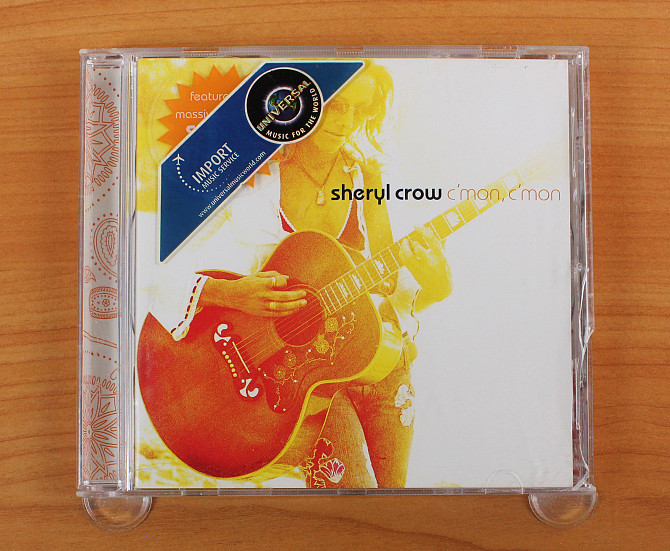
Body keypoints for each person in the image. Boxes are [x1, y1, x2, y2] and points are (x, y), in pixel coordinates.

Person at [149, 61, 453, 488]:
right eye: (337, 106)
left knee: (396, 506)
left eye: (360, 110)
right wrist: (229, 293)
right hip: (303, 382)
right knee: (353, 501)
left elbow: (397, 289)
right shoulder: (245, 171)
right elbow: (150, 262)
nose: (347, 122)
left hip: (382, 365)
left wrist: (438, 281)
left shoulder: (372, 177)